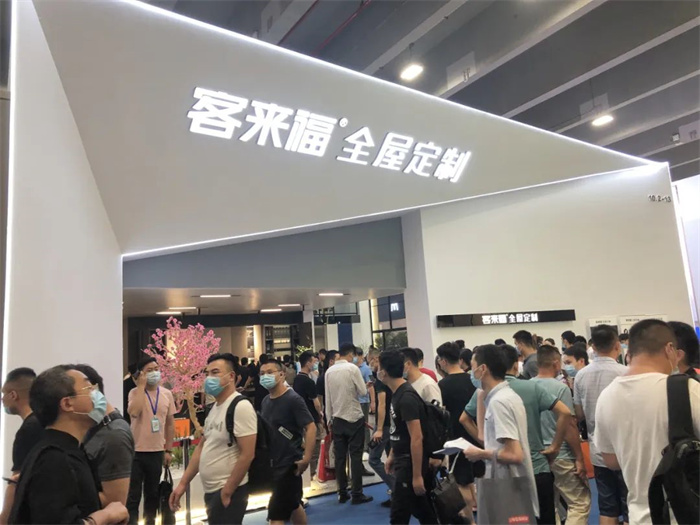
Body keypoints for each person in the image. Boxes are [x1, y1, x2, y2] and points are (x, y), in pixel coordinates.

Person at [595, 319, 700, 524]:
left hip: (640, 515)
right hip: (687, 514)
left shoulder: (606, 397)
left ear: (629, 352)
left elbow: (611, 461)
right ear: (669, 349)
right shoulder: (686, 389)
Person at [8, 366, 128, 524]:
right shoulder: (54, 459)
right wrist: (106, 515)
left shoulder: (69, 450)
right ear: (67, 403)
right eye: (89, 388)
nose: (97, 395)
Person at [170, 354, 256, 524]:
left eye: (215, 372)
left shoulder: (241, 407)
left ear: (231, 376)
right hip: (212, 492)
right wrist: (183, 484)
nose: (209, 378)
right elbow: (202, 447)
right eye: (207, 373)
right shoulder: (215, 408)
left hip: (228, 490)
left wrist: (228, 490)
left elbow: (247, 454)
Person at [462, 345, 538, 524]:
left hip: (507, 484)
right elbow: (484, 437)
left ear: (483, 369)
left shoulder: (500, 402)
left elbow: (514, 454)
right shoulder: (499, 397)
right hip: (504, 482)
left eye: (473, 367)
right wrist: (481, 396)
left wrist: (480, 454)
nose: (471, 372)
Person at [501, 345, 572, 525]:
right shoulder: (530, 387)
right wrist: (555, 446)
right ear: (516, 364)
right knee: (545, 516)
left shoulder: (486, 392)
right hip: (537, 465)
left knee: (515, 520)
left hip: (505, 468)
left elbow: (465, 419)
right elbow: (565, 413)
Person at [573, 324, 628, 525]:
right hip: (625, 450)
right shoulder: (626, 372)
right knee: (630, 506)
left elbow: (579, 414)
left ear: (593, 347)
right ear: (617, 345)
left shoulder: (581, 375)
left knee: (607, 507)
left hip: (598, 450)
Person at [532, 346, 591, 525]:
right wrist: (579, 457)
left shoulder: (527, 387)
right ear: (556, 363)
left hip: (537, 456)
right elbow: (569, 426)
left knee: (551, 505)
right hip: (561, 454)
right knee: (579, 502)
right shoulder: (560, 388)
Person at [380, 350, 438, 525]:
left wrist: (417, 475)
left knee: (399, 515)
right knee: (423, 511)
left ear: (384, 372)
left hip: (409, 464)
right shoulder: (398, 393)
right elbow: (399, 431)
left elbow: (417, 437)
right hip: (403, 460)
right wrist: (392, 454)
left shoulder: (406, 397)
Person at [260, 360, 317, 524]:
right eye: (262, 373)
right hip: (274, 463)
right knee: (293, 504)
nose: (265, 376)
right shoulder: (266, 401)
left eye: (269, 372)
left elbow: (310, 427)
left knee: (276, 514)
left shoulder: (293, 399)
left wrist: (306, 458)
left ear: (281, 374)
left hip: (290, 464)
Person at [72, 364, 135, 506]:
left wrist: (63, 491)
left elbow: (115, 502)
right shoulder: (90, 426)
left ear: (92, 390)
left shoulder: (114, 436)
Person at [127, 357, 176, 525]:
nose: (155, 373)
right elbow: (134, 412)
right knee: (133, 497)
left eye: (156, 369)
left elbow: (170, 424)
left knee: (152, 495)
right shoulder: (134, 393)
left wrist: (168, 450)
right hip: (136, 452)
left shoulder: (166, 394)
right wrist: (141, 386)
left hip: (156, 451)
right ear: (141, 374)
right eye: (149, 370)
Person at [324, 343, 373, 504]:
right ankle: (357, 493)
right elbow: (363, 392)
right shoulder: (353, 369)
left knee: (340, 458)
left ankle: (342, 492)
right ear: (351, 354)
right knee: (355, 457)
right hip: (354, 417)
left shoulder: (329, 371)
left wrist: (329, 419)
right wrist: (365, 387)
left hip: (337, 419)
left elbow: (328, 399)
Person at [436, 342, 477, 522]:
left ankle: (470, 520)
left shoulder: (442, 385)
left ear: (443, 361)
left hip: (456, 439)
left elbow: (441, 415)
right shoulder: (473, 380)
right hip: (476, 435)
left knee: (461, 482)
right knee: (472, 478)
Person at [0, 368, 44, 524]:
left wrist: (4, 520)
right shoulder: (44, 422)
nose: (2, 399)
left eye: (3, 394)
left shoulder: (28, 430)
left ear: (13, 395)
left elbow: (17, 482)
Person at [366, 347, 394, 507]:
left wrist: (379, 429)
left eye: (371, 359)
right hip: (392, 423)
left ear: (377, 360)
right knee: (391, 457)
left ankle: (396, 488)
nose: (370, 363)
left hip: (385, 424)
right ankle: (396, 492)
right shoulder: (388, 378)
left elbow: (382, 405)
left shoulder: (382, 380)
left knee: (373, 459)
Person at [293, 350, 323, 478]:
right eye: (313, 362)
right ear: (307, 363)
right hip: (312, 418)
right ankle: (311, 472)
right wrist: (320, 414)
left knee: (305, 444)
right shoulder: (308, 382)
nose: (315, 364)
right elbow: (316, 403)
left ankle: (307, 473)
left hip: (300, 418)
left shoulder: (296, 379)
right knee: (315, 445)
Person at [354, 347, 374, 454]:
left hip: (363, 401)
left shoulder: (366, 369)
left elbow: (371, 385)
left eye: (356, 355)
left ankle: (366, 447)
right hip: (354, 401)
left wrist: (373, 402)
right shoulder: (352, 368)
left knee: (365, 424)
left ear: (361, 356)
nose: (355, 358)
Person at [316, 350, 337, 419]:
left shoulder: (341, 375)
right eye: (338, 360)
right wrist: (320, 414)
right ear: (331, 361)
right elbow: (319, 398)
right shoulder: (323, 378)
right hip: (329, 412)